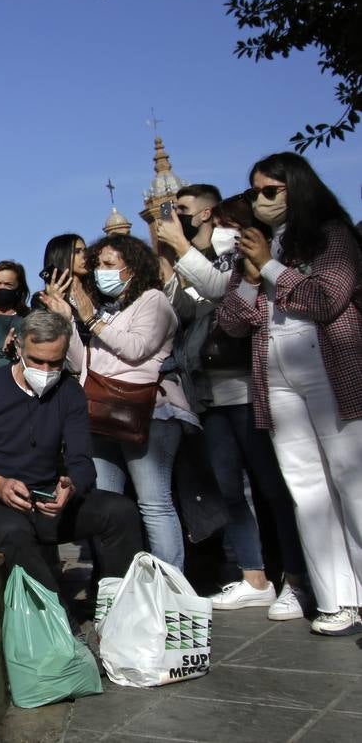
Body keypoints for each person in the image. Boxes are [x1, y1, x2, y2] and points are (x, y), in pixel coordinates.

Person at [217, 152, 362, 636]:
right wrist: (253, 277)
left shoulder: (330, 236)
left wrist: (272, 269)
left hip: (330, 367)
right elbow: (233, 322)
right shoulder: (254, 248)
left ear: (295, 189)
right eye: (254, 191)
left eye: (270, 191)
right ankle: (335, 598)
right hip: (275, 375)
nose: (259, 200)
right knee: (305, 489)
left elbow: (327, 298)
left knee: (352, 480)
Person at [157, 190, 309, 619]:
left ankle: (297, 579)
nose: (176, 219)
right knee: (230, 491)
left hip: (249, 387)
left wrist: (183, 252)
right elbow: (185, 308)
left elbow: (220, 294)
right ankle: (254, 576)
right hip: (209, 392)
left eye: (183, 212)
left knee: (273, 488)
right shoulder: (197, 261)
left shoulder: (232, 257)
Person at [0, 310, 142, 595]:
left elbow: (82, 462)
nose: (46, 370)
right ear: (18, 349)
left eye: (55, 363)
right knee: (14, 532)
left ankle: (116, 609)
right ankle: (59, 625)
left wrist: (71, 486)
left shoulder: (70, 392)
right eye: (37, 361)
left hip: (44, 501)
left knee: (120, 511)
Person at [40, 234, 191, 570]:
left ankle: (169, 584)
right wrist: (68, 318)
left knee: (154, 503)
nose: (99, 272)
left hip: (148, 411)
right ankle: (118, 582)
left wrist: (91, 317)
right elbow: (82, 363)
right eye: (98, 266)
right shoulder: (110, 311)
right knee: (108, 504)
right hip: (101, 412)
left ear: (132, 267)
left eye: (109, 265)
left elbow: (136, 349)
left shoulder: (153, 301)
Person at [31, 234, 92, 344]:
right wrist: (52, 307)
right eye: (77, 252)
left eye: (85, 250)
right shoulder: (41, 299)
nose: (85, 256)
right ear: (62, 256)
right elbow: (44, 336)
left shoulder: (98, 291)